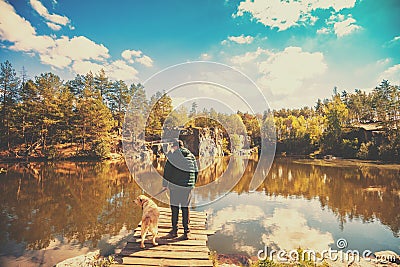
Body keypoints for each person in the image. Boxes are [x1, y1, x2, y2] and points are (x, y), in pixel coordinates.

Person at [162, 139, 198, 239]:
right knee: (185, 208)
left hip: (175, 187)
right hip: (188, 187)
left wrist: (165, 185)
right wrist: (192, 184)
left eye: (172, 147)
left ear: (175, 147)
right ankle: (187, 232)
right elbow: (196, 171)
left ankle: (174, 231)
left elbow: (167, 172)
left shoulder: (173, 156)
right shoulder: (191, 156)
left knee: (175, 208)